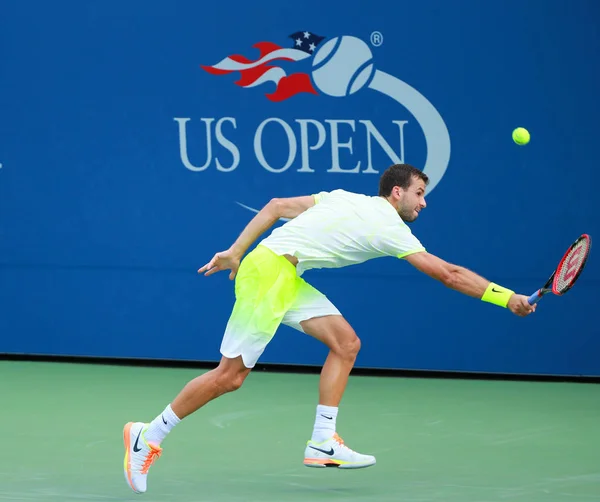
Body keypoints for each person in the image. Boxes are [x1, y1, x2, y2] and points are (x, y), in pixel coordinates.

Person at [122, 163, 536, 493]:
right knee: (230, 377)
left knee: (346, 343)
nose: (423, 203)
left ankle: (323, 441)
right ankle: (147, 435)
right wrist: (506, 297)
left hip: (280, 273)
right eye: (419, 194)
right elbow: (448, 273)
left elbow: (275, 205)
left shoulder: (341, 197)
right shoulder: (391, 227)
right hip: (270, 276)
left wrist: (236, 251)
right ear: (397, 192)